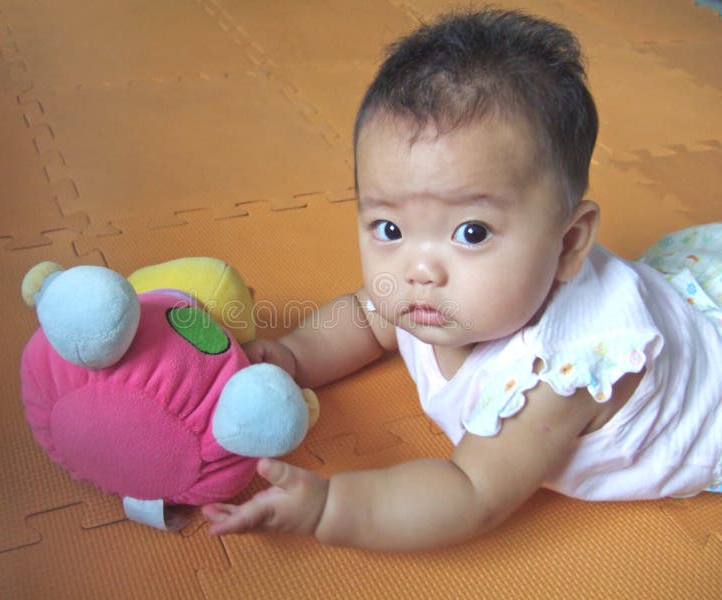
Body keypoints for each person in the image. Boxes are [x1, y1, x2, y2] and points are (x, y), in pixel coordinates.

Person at [201, 8, 722, 552]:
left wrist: (330, 507)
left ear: (568, 243)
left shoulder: (556, 374)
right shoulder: (428, 290)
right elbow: (363, 317)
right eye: (389, 227)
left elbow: (469, 491)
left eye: (471, 232)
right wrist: (292, 356)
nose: (419, 269)